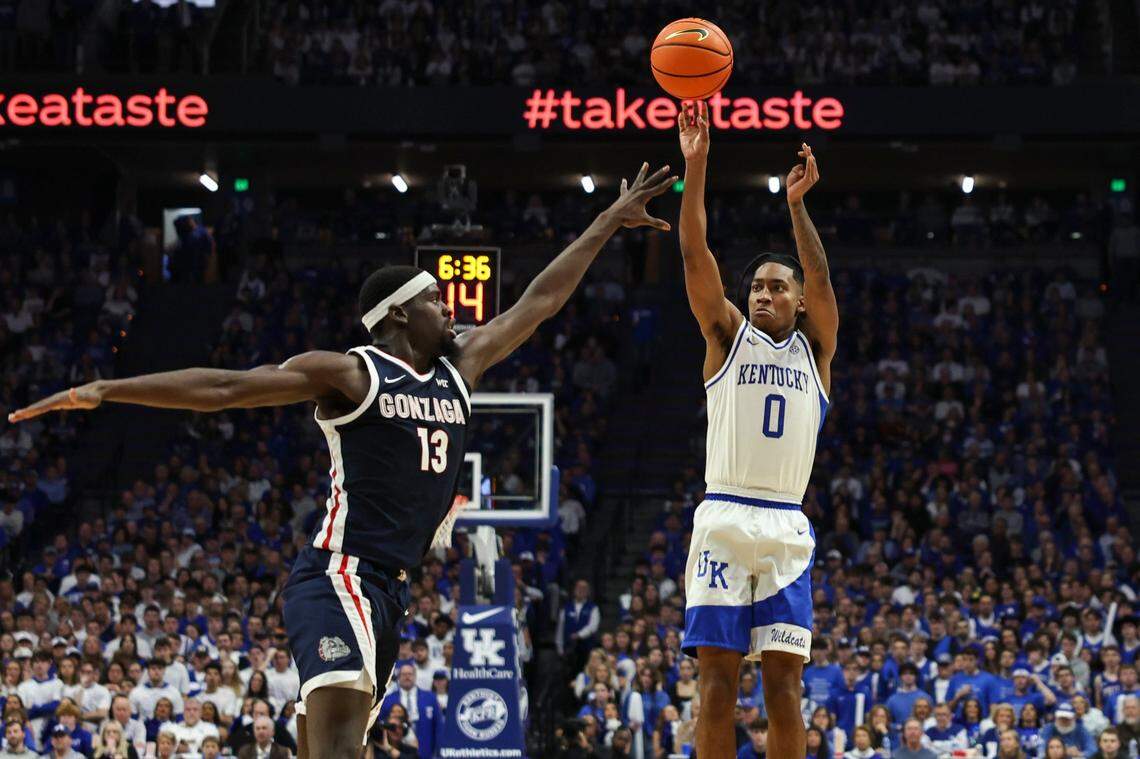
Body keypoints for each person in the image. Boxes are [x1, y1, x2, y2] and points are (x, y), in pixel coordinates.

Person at [9, 161, 675, 759]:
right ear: (397, 315)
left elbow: (540, 302)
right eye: (434, 301)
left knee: (343, 742)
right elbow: (224, 388)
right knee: (332, 736)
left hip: (393, 587)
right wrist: (109, 390)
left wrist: (607, 221)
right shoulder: (352, 374)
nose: (450, 310)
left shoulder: (461, 365)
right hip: (337, 574)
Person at [676, 100, 838, 759]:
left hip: (784, 527)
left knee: (785, 689)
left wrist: (797, 206)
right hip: (723, 516)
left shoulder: (816, 350)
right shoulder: (726, 337)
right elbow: (693, 252)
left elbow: (823, 274)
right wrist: (697, 164)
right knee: (716, 685)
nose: (763, 295)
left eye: (777, 287)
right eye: (757, 287)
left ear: (798, 299)